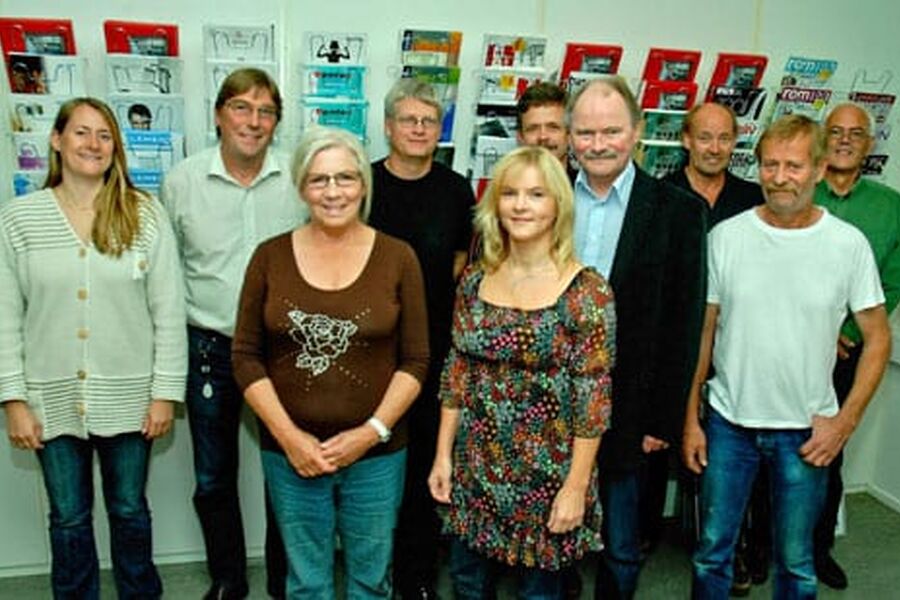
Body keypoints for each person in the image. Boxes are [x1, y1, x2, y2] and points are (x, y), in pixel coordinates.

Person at [684, 114, 891, 599]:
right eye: (770, 165)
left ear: (819, 169)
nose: (780, 177)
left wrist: (845, 422)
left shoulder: (847, 245)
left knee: (796, 563)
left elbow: (878, 338)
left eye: (794, 166)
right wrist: (690, 416)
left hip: (806, 431)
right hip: (728, 423)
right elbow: (706, 330)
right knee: (713, 550)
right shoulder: (727, 238)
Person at [232, 126, 430, 599]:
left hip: (378, 456)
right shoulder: (269, 257)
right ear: (302, 187)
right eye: (319, 180)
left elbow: (417, 359)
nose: (334, 192)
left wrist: (369, 433)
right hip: (291, 454)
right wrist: (290, 438)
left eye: (345, 177)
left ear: (364, 184)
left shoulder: (398, 257)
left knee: (370, 578)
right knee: (306, 581)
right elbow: (244, 356)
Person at [0, 97, 186, 598]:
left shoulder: (144, 216)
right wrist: (13, 401)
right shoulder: (20, 219)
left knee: (129, 510)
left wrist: (164, 392)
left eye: (104, 135)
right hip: (48, 398)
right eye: (81, 133)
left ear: (116, 148)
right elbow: (5, 318)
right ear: (57, 140)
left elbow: (168, 310)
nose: (93, 144)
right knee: (68, 517)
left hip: (130, 396)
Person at [428, 146, 616, 599]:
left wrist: (575, 488)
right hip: (477, 468)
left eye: (536, 194)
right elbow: (457, 374)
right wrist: (442, 456)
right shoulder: (474, 280)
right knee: (468, 584)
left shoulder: (586, 292)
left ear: (558, 205)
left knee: (539, 593)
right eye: (509, 193)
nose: (520, 205)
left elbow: (594, 404)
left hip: (549, 478)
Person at [161, 67, 305, 600]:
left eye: (266, 111)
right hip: (210, 348)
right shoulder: (181, 181)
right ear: (219, 115)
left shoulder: (297, 176)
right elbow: (166, 273)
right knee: (213, 478)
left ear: (277, 122)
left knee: (287, 474)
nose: (254, 121)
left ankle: (286, 582)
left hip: (284, 350)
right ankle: (228, 578)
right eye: (241, 108)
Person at [566, 76, 707, 599]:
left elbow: (683, 323)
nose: (598, 144)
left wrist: (662, 420)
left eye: (611, 131)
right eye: (585, 132)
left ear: (638, 131)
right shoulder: (545, 197)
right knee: (551, 534)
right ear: (569, 135)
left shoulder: (679, 212)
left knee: (622, 544)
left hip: (633, 408)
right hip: (552, 404)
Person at [368, 78, 475, 600]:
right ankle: (373, 574)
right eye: (408, 120)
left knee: (423, 472)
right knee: (371, 468)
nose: (417, 128)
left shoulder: (457, 190)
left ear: (439, 131)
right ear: (388, 127)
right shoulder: (362, 185)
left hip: (432, 353)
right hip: (369, 354)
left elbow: (459, 266)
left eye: (428, 121)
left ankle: (417, 580)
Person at [664, 102, 766, 595]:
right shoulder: (662, 194)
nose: (714, 147)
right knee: (665, 437)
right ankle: (643, 535)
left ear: (735, 141)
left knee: (732, 446)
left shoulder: (753, 197)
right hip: (676, 333)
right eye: (704, 137)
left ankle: (734, 546)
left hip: (737, 337)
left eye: (724, 138)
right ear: (686, 139)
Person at [813, 102, 900, 590]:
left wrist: (846, 333)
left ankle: (818, 545)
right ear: (823, 139)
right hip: (789, 349)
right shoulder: (798, 192)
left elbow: (894, 278)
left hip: (850, 352)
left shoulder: (890, 207)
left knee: (830, 450)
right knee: (766, 448)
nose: (845, 140)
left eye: (856, 133)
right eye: (836, 131)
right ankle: (759, 543)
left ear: (870, 144)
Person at [516, 82, 576, 178]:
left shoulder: (590, 191)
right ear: (520, 137)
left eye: (553, 127)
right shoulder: (504, 190)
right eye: (533, 128)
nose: (543, 136)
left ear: (570, 134)